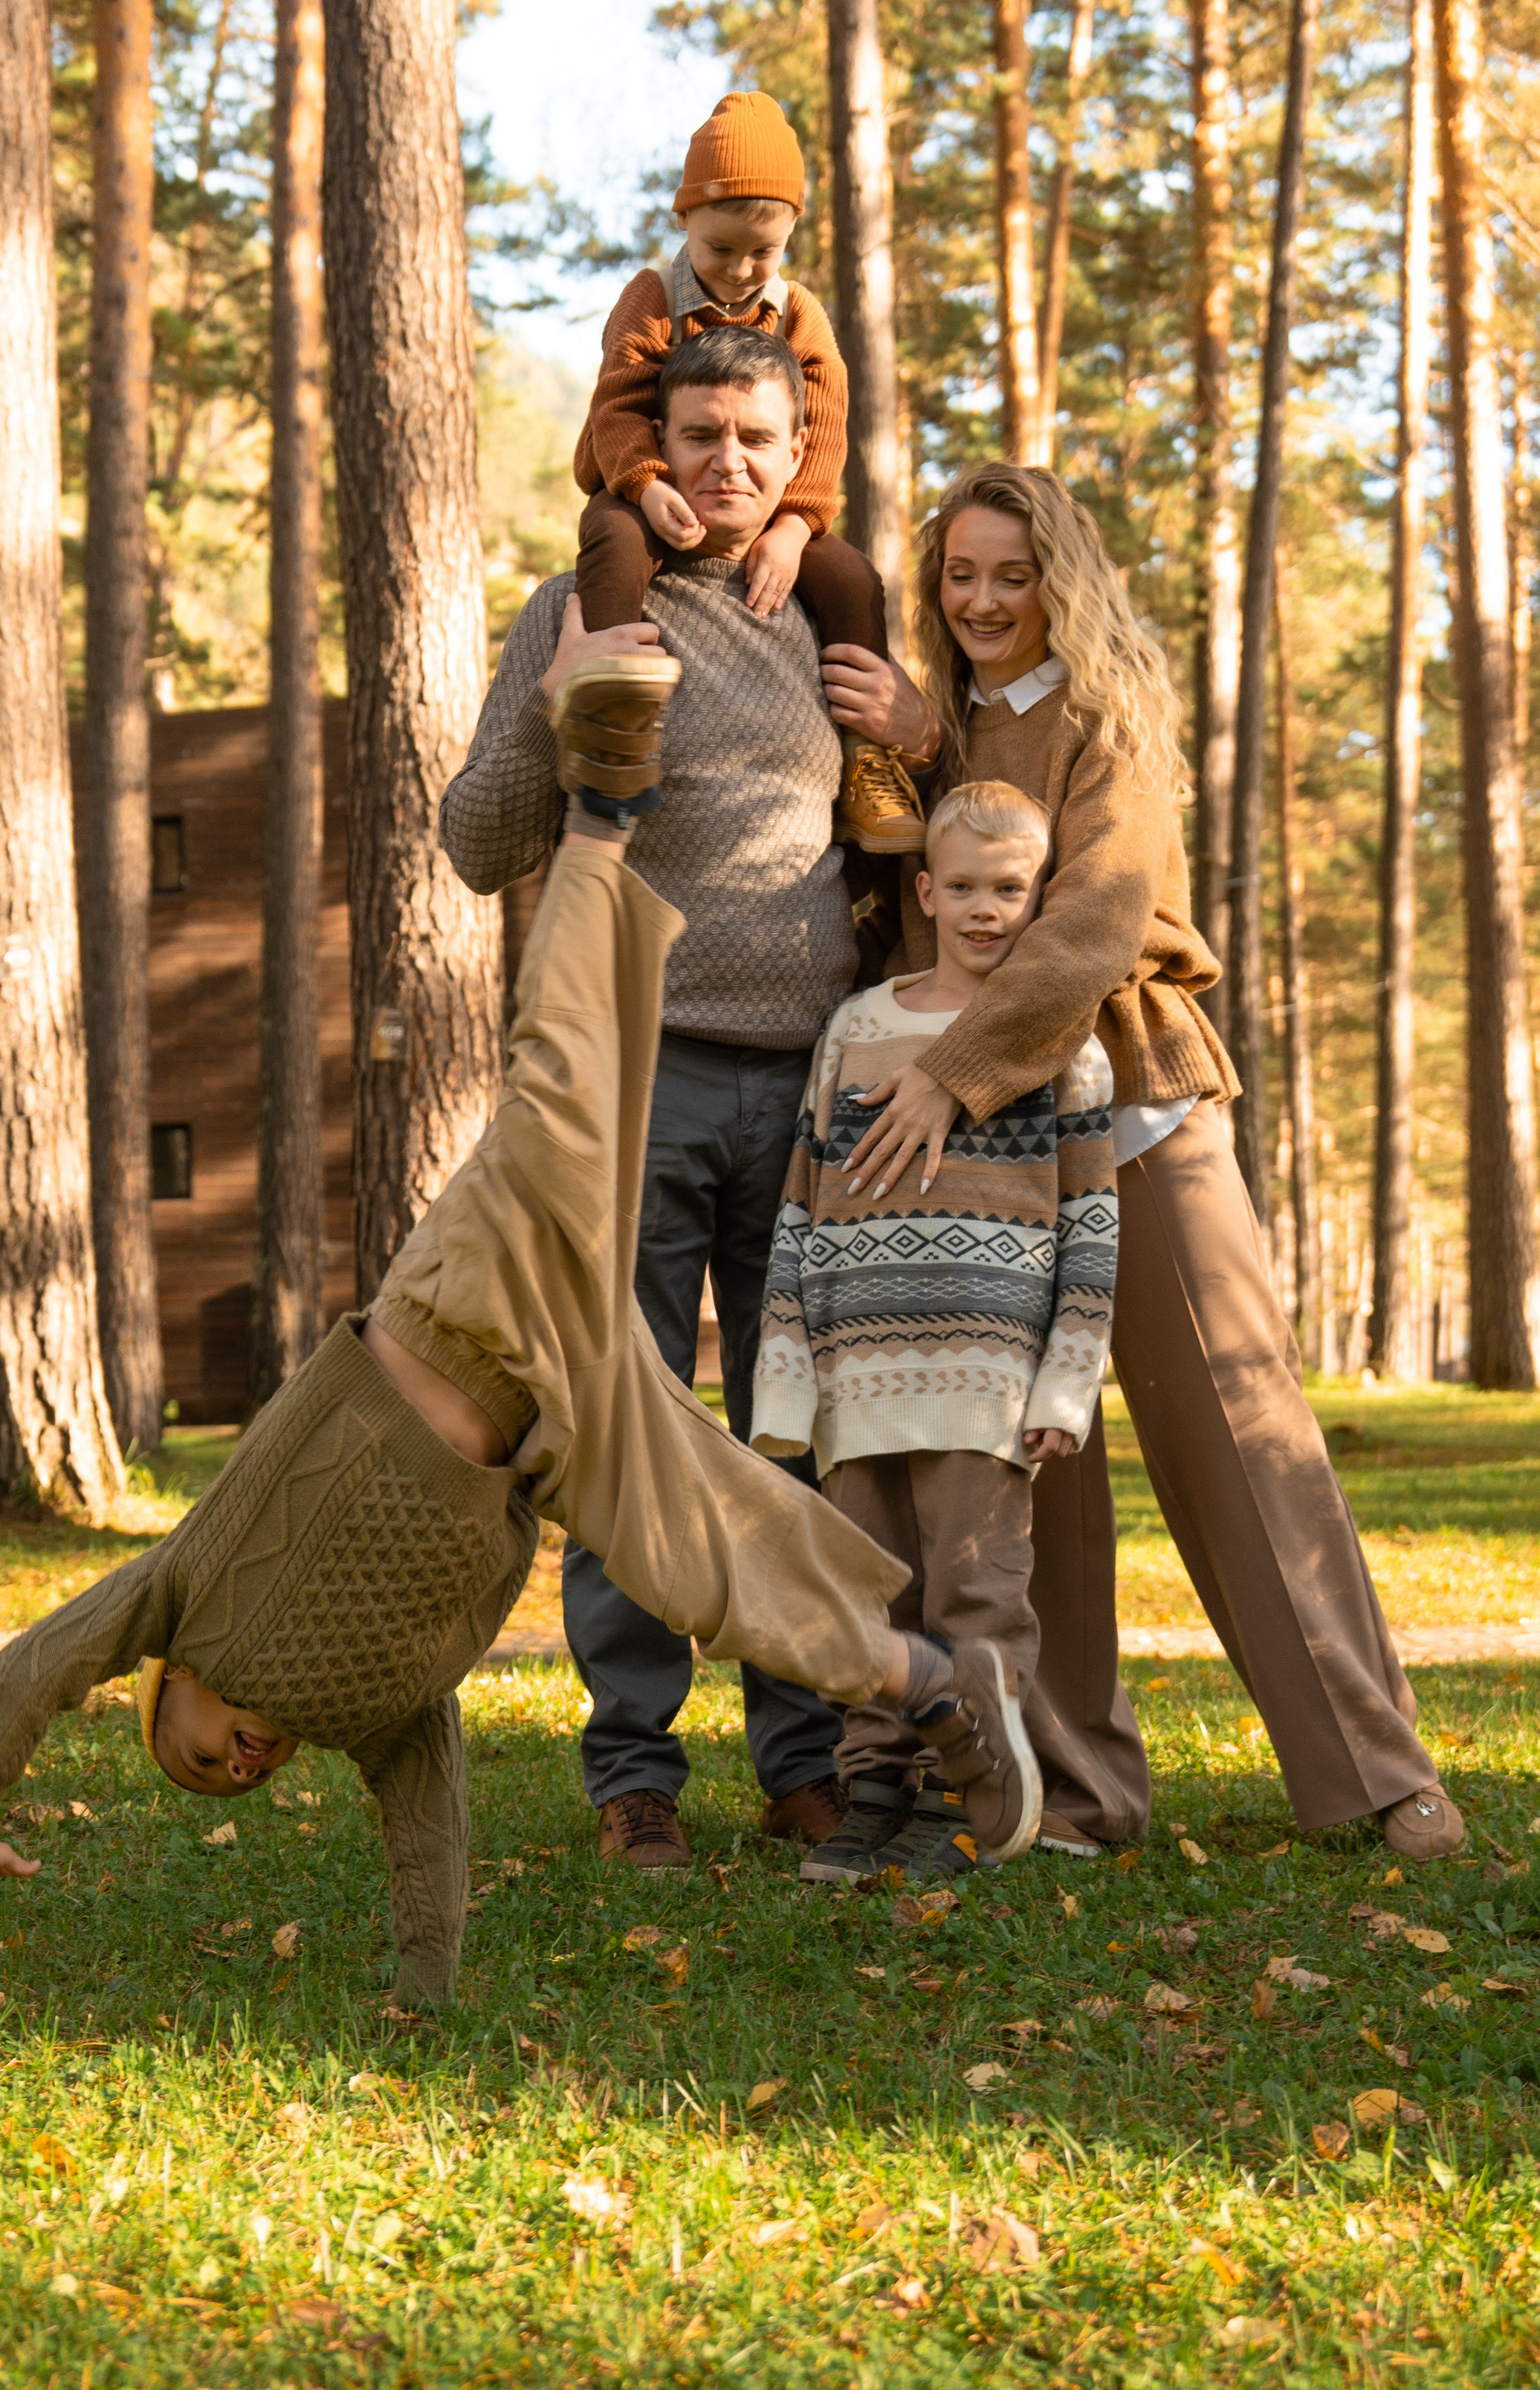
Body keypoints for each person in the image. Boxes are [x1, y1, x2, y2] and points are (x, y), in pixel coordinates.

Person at [0, 662, 1038, 2004]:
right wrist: (426, 1990)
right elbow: (428, 1832)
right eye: (244, 1779)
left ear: (169, 1687)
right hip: (556, 1432)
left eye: (197, 1749)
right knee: (708, 1562)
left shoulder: (187, 1588)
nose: (237, 1761)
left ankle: (603, 806)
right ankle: (927, 1678)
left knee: (560, 1085)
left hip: (461, 1305)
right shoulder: (377, 1709)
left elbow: (36, 1669)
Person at [849, 462, 1464, 1866]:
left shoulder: (1106, 717)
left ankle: (1379, 1771)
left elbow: (1093, 919)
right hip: (999, 1147)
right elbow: (929, 899)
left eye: (1012, 575)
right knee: (1038, 1472)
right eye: (961, 574)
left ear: (1059, 580)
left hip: (1136, 1109)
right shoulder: (940, 735)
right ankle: (1077, 1791)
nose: (984, 599)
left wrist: (946, 1071)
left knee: (1247, 1441)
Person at [441, 323, 937, 1870]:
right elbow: (477, 845)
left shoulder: (830, 619)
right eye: (702, 432)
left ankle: (803, 1762)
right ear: (655, 443)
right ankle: (635, 1776)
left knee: (791, 1430)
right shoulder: (583, 604)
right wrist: (558, 702)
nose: (728, 462)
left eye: (756, 439)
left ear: (796, 456)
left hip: (809, 1092)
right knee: (625, 1423)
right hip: (632, 1080)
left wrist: (915, 729)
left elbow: (927, 832)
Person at [751, 779, 1115, 1879]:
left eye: (1009, 889)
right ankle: (874, 1790)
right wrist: (786, 1375)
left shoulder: (1057, 1044)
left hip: (986, 1380)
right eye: (963, 888)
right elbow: (802, 1203)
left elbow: (1091, 1226)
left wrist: (1066, 1385)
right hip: (855, 1376)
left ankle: (974, 1797)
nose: (985, 910)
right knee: (869, 1597)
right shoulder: (857, 1029)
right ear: (924, 893)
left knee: (974, 1594)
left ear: (1041, 899)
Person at [572, 88, 922, 853]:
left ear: (792, 232)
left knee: (852, 579)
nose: (739, 270)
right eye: (720, 249)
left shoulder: (798, 314)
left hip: (768, 507)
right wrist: (646, 485)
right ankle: (614, 726)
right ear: (685, 221)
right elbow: (619, 405)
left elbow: (822, 427)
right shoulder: (652, 299)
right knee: (613, 544)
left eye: (762, 252)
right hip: (644, 485)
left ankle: (866, 758)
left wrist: (793, 527)